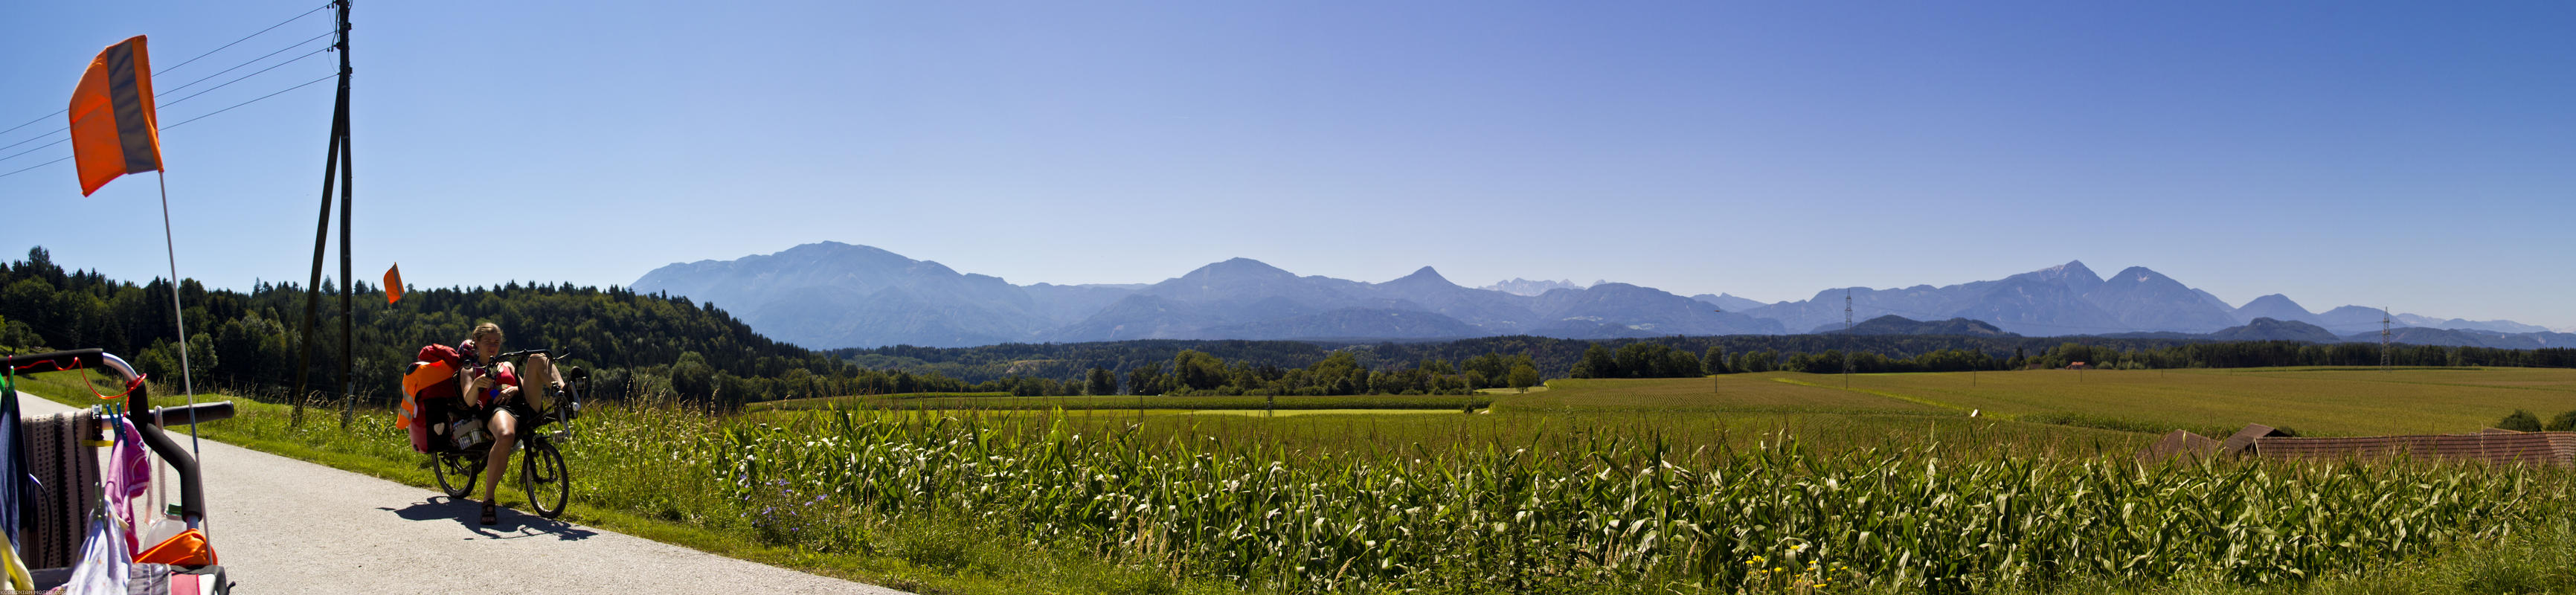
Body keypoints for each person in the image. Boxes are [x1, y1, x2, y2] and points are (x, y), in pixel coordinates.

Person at [455, 322, 560, 525]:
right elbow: (469, 401)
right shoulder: (470, 369)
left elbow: (521, 385)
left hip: (522, 403)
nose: (493, 346)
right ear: (476, 342)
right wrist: (478, 384)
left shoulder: (507, 365)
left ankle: (563, 390)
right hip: (496, 409)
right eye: (488, 342)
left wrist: (513, 389)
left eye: (497, 341)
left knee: (538, 358)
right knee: (505, 436)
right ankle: (488, 500)